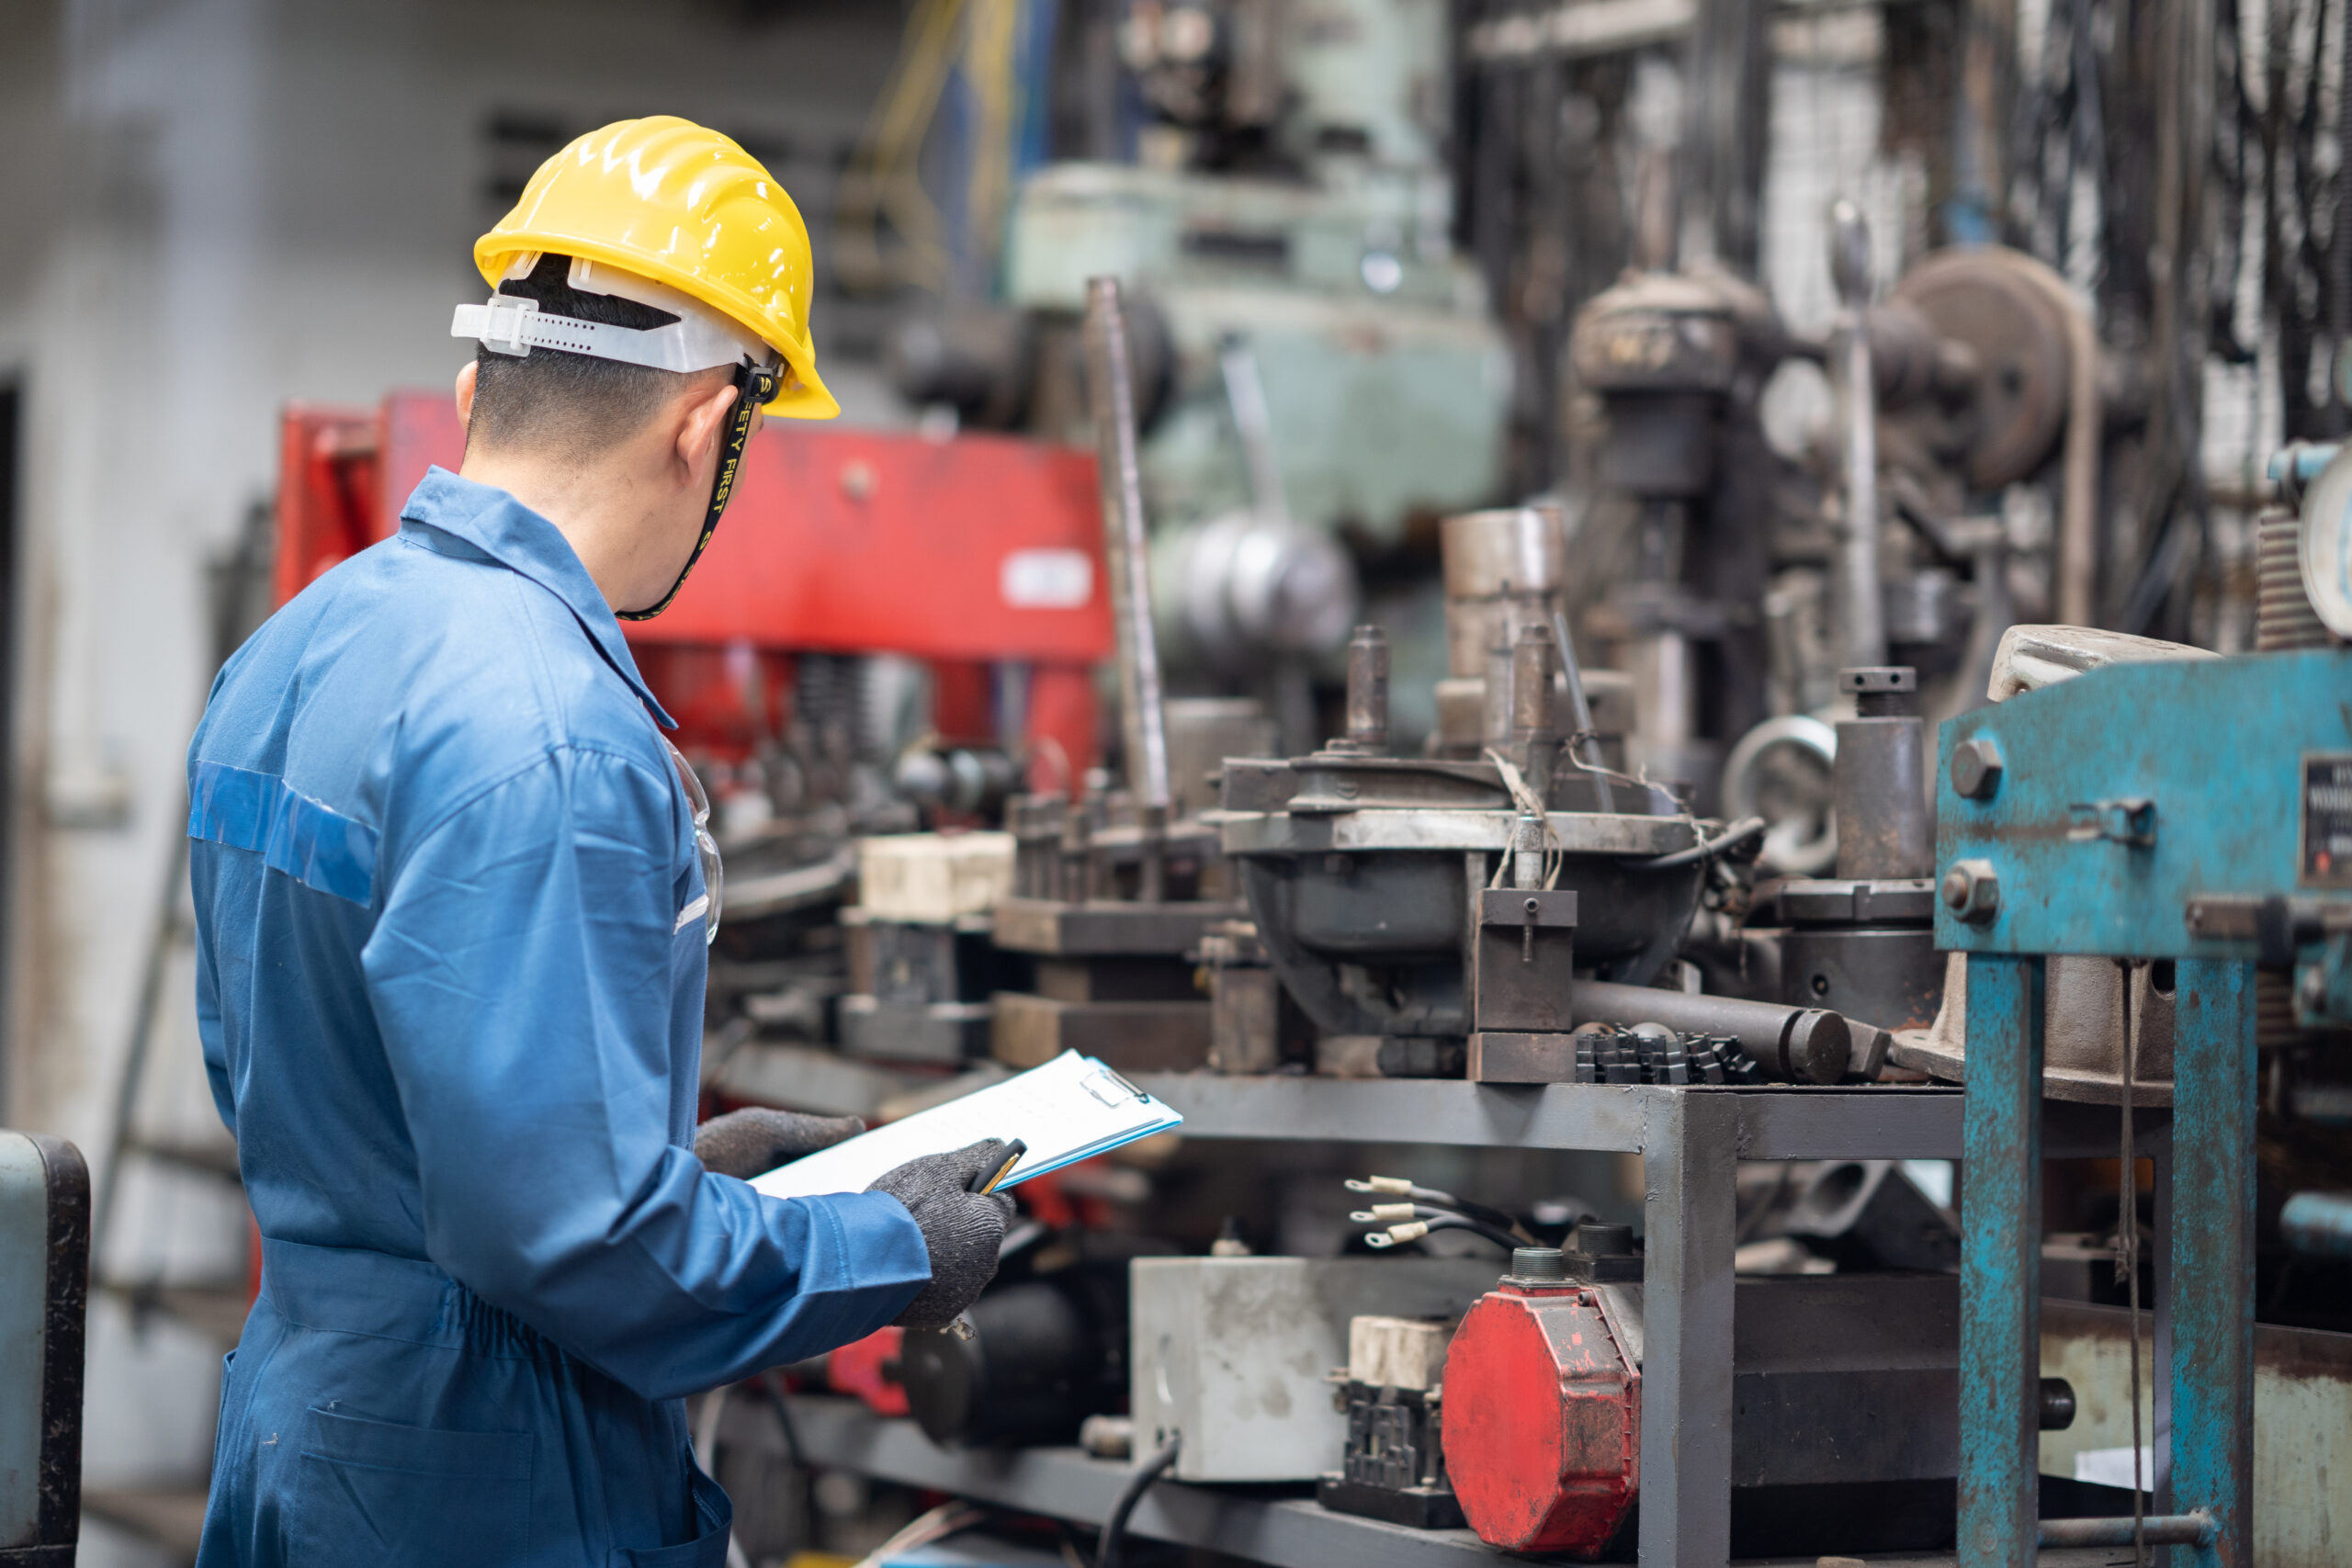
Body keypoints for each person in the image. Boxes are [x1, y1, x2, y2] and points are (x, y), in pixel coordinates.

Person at [188, 116, 1012, 1568]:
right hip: (491, 1475)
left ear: (478, 390)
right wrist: (890, 1249)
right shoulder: (557, 731)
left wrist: (667, 1166)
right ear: (705, 426)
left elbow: (349, 1094)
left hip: (304, 1426)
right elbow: (576, 1247)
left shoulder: (294, 649)